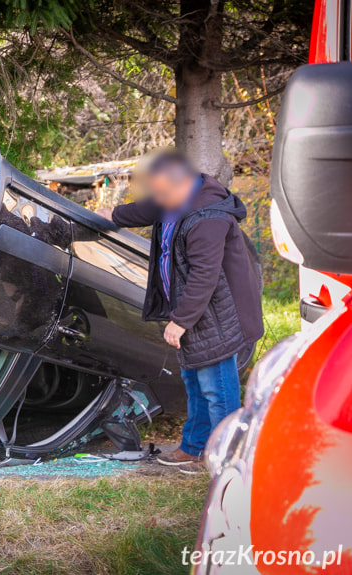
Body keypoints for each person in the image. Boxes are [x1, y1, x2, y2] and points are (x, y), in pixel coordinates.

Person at [96, 152, 263, 474]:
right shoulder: (175, 198)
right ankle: (195, 447)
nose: (158, 200)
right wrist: (112, 214)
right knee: (195, 381)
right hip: (197, 308)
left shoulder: (208, 218)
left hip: (218, 314)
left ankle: (228, 458)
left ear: (184, 183)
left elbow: (205, 275)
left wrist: (181, 321)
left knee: (216, 387)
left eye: (162, 193)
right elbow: (149, 208)